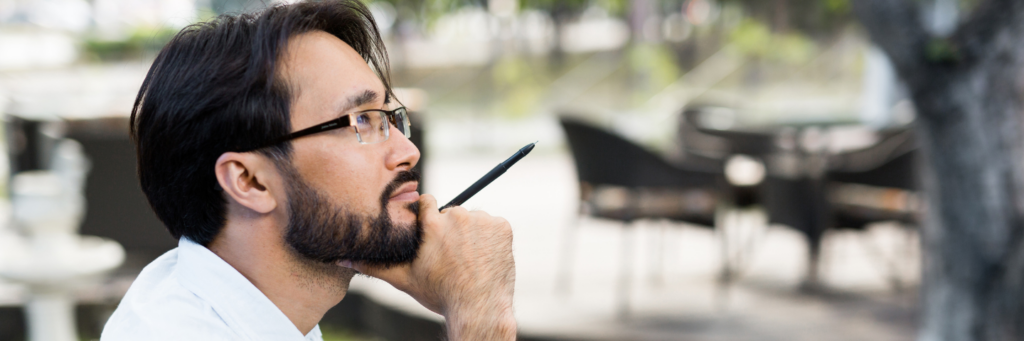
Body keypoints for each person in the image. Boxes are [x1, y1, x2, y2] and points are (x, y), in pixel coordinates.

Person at [100, 1, 516, 340]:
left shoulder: (258, 311)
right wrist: (479, 316)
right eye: (362, 120)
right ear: (250, 181)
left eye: (392, 119)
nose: (407, 151)